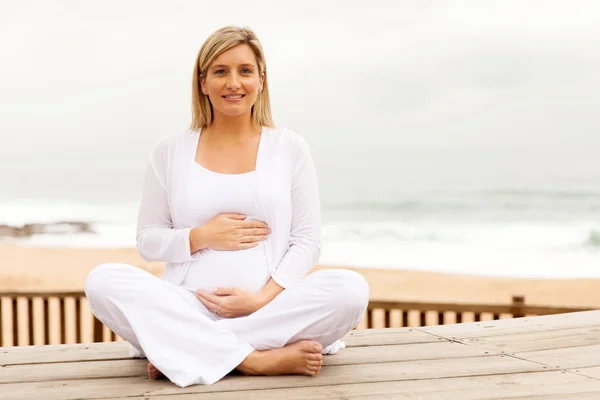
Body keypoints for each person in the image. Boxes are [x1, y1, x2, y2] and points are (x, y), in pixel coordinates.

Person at [84, 25, 370, 388]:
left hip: (266, 309)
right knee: (103, 280)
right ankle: (252, 360)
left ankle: (184, 349)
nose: (233, 82)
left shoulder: (290, 148)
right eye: (220, 71)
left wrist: (259, 301)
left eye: (244, 71)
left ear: (261, 80)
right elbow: (148, 240)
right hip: (187, 305)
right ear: (203, 82)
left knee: (350, 289)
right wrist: (201, 236)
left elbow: (307, 242)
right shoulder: (171, 150)